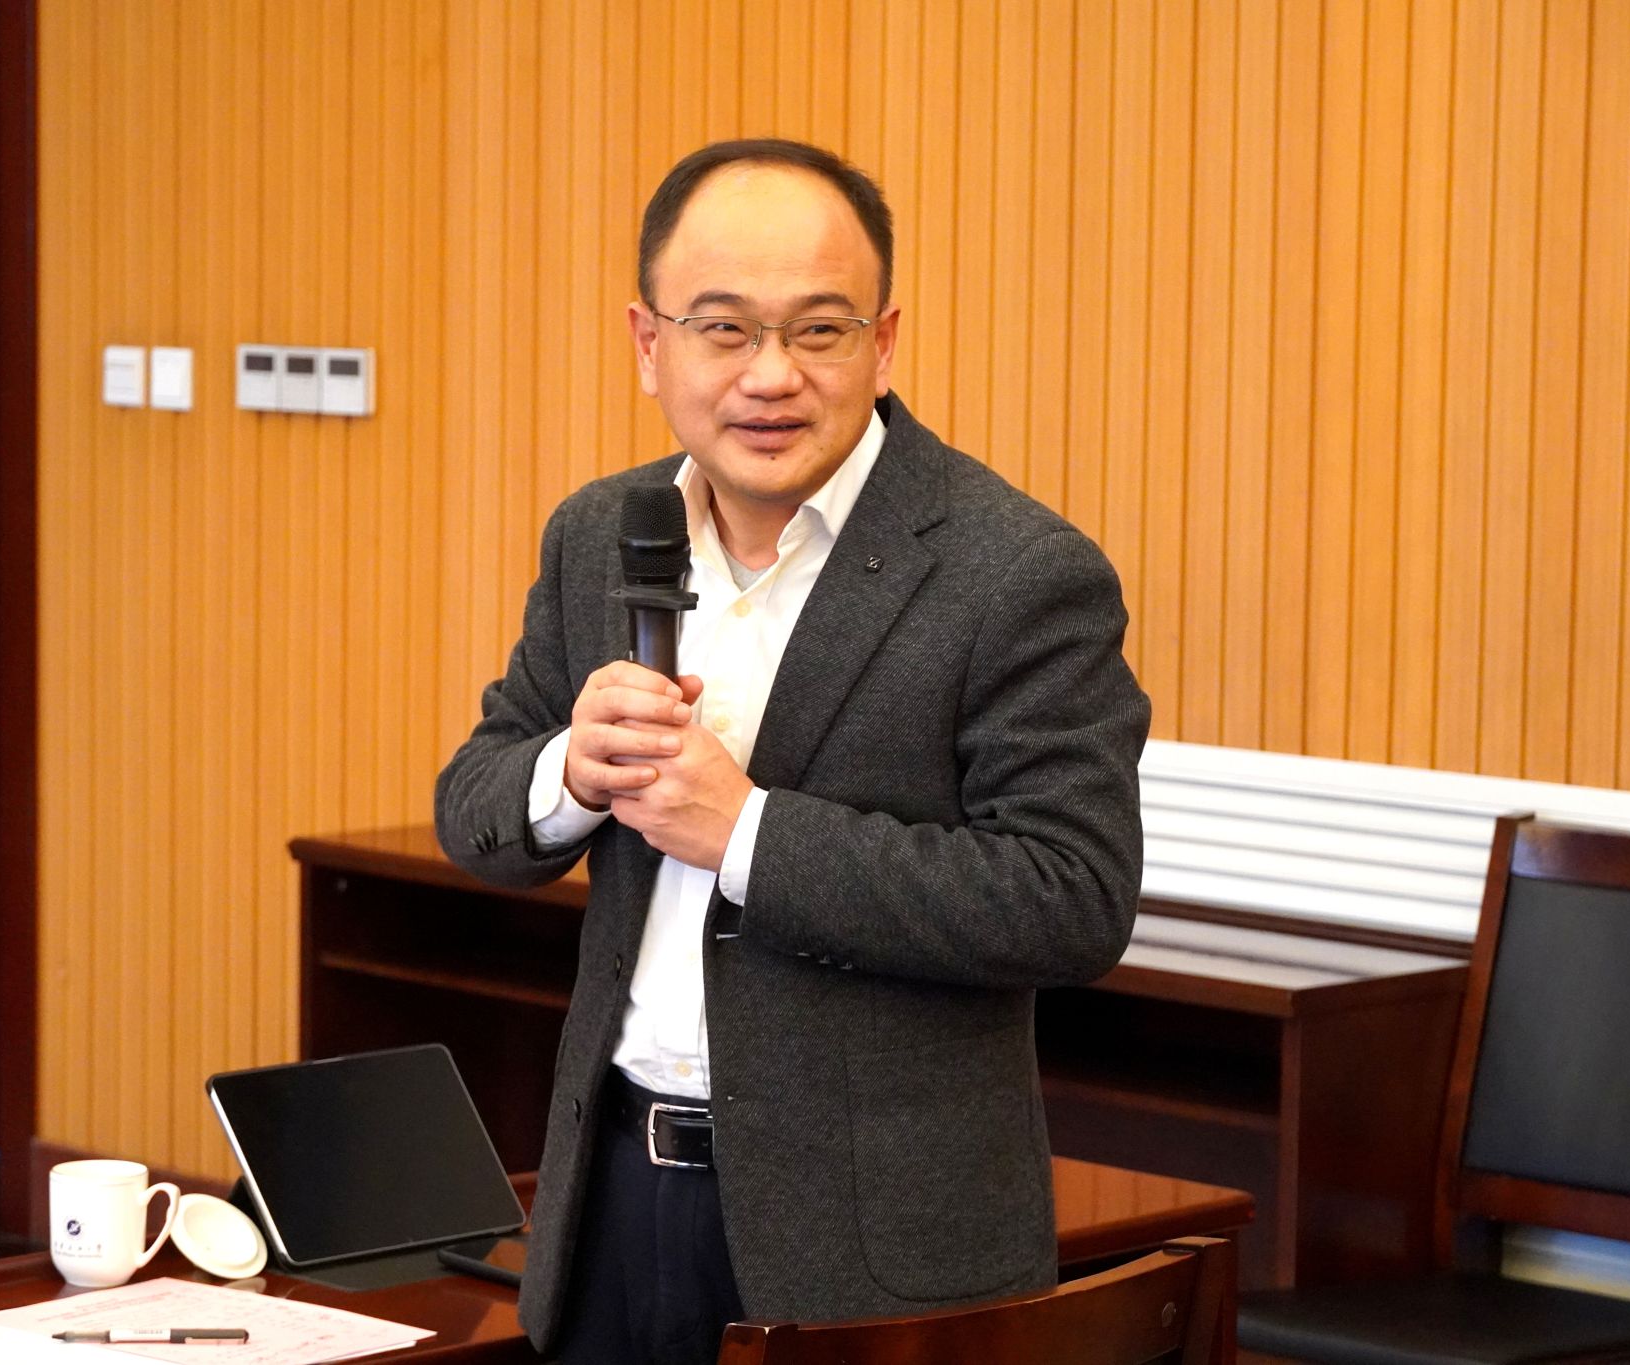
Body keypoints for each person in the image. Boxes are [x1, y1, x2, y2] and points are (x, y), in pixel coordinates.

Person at [435, 138, 1149, 1365]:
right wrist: (569, 771)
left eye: (818, 330)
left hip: (872, 1252)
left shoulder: (1015, 572)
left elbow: (1068, 899)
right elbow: (477, 804)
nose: (771, 376)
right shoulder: (603, 532)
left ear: (883, 341)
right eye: (722, 329)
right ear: (647, 343)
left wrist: (746, 834)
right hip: (608, 1202)